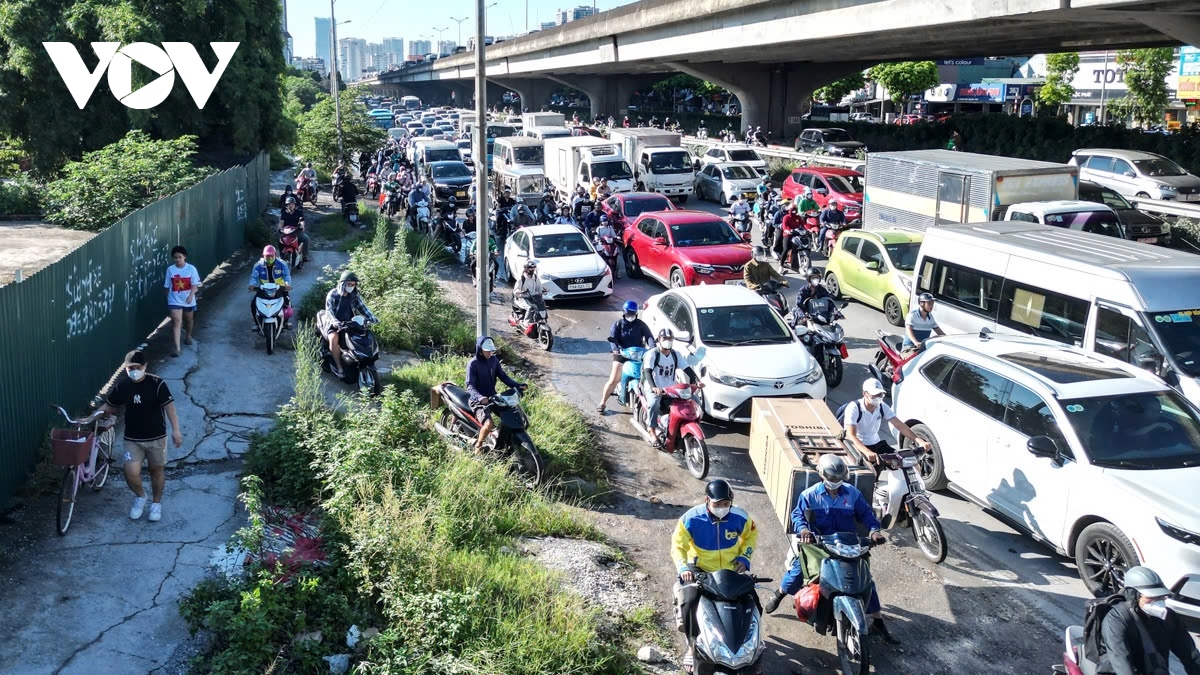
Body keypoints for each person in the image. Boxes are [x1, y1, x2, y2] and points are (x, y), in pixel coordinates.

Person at [760, 454, 897, 642]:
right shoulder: (810, 495)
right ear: (823, 476)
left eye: (839, 479)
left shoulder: (852, 493)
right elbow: (797, 515)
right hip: (820, 545)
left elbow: (867, 514)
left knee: (866, 580)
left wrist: (874, 531)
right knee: (799, 572)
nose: (836, 482)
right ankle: (780, 593)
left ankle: (878, 622)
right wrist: (804, 529)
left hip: (847, 545)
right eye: (832, 478)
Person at [99, 350, 183, 523]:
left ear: (145, 366)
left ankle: (156, 503)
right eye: (130, 368)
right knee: (131, 473)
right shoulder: (123, 386)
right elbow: (109, 405)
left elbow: (170, 408)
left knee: (156, 470)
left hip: (156, 437)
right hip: (133, 439)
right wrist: (91, 417)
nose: (134, 371)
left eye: (138, 367)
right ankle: (141, 496)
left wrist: (176, 430)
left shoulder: (157, 384)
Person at [671, 479, 758, 636]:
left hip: (730, 569)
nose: (722, 508)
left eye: (726, 504)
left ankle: (751, 640)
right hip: (700, 569)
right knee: (690, 603)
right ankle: (692, 646)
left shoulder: (740, 517)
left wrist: (745, 558)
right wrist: (683, 568)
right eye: (717, 504)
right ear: (707, 500)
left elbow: (751, 535)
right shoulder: (690, 520)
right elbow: (678, 547)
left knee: (754, 604)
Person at [1098, 566, 1200, 675]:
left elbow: (1190, 654)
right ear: (1134, 595)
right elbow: (1121, 662)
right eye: (1151, 597)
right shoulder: (1117, 619)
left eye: (1161, 597)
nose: (1158, 602)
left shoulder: (1168, 618)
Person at [844, 378, 931, 466]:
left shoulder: (882, 407)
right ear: (865, 393)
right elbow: (851, 435)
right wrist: (867, 452)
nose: (878, 397)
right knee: (869, 474)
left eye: (881, 394)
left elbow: (899, 425)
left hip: (876, 443)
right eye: (875, 394)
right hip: (858, 446)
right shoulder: (854, 408)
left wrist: (919, 440)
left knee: (906, 462)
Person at [640, 328, 703, 447]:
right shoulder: (652, 354)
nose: (667, 341)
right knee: (654, 403)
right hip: (655, 387)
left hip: (671, 388)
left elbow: (687, 369)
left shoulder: (675, 354)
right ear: (659, 339)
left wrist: (697, 381)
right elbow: (647, 371)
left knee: (695, 401)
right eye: (664, 338)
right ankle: (652, 430)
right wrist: (654, 387)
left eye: (670, 339)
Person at [465, 336, 526, 453]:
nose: (489, 353)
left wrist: (517, 385)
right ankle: (478, 446)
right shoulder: (473, 364)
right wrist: (480, 397)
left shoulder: (493, 360)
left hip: (492, 397)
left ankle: (504, 439)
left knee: (511, 413)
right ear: (480, 349)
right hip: (477, 400)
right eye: (487, 351)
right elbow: (470, 386)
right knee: (488, 423)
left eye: (491, 350)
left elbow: (503, 376)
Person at [598, 300, 655, 414]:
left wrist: (653, 347)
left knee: (648, 377)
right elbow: (613, 339)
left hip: (638, 354)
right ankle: (602, 402)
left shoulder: (641, 325)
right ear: (624, 313)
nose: (631, 317)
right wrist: (615, 349)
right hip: (622, 354)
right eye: (628, 315)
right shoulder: (618, 325)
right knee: (614, 379)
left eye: (633, 315)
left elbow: (649, 337)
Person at [316, 271, 377, 379]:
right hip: (333, 323)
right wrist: (335, 322)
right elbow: (329, 311)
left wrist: (372, 317)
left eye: (353, 285)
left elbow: (363, 308)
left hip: (349, 323)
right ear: (342, 283)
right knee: (334, 338)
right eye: (349, 284)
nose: (351, 287)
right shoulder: (333, 294)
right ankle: (339, 367)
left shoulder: (354, 295)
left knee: (362, 336)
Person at [164, 246, 201, 357]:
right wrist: (168, 298)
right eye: (175, 258)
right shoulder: (170, 269)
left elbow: (195, 284)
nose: (178, 260)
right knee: (176, 322)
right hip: (174, 300)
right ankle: (177, 348)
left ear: (184, 257)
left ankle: (188, 335)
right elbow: (166, 286)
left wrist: (191, 295)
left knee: (189, 320)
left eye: (180, 257)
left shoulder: (191, 269)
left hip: (188, 300)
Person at [248, 245, 292, 329]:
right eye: (267, 256)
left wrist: (287, 284)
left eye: (272, 256)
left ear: (275, 255)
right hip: (263, 290)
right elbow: (254, 276)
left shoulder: (282, 264)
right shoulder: (258, 266)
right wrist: (252, 285)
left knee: (288, 305)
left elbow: (287, 275)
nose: (270, 258)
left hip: (280, 289)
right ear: (263, 256)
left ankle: (285, 322)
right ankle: (257, 323)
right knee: (254, 304)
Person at [278, 198, 311, 263]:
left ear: (295, 205)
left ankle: (305, 256)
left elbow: (302, 221)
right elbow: (281, 222)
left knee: (306, 239)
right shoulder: (284, 213)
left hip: (296, 231)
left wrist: (302, 226)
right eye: (289, 204)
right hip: (286, 233)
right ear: (286, 205)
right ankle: (281, 255)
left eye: (292, 204)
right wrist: (279, 228)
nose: (291, 205)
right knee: (279, 240)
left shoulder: (299, 212)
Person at [512, 258, 543, 324]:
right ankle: (526, 322)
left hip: (533, 298)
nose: (532, 270)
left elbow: (539, 288)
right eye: (530, 268)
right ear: (526, 269)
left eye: (533, 268)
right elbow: (515, 291)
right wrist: (521, 292)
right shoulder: (521, 278)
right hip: (522, 299)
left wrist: (542, 291)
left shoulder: (535, 278)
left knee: (541, 305)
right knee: (530, 307)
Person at [779, 204, 806, 271]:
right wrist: (787, 231)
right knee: (785, 249)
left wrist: (807, 229)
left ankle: (795, 264)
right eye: (792, 210)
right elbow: (784, 226)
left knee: (798, 248)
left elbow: (803, 224)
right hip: (788, 235)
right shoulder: (786, 217)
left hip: (796, 234)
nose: (794, 211)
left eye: (795, 210)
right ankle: (781, 265)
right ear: (789, 210)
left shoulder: (798, 217)